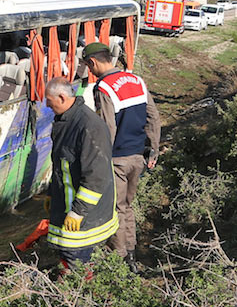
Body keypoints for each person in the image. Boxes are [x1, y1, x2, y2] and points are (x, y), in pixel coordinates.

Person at [82, 42, 161, 272]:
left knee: (114, 210)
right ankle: (131, 254)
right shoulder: (136, 80)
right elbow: (153, 117)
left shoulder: (104, 88)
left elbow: (108, 128)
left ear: (93, 62)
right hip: (138, 157)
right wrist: (153, 149)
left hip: (117, 159)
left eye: (88, 66)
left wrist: (99, 161)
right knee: (127, 206)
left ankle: (120, 262)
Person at [45, 77, 118, 268]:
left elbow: (96, 177)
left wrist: (78, 211)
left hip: (85, 215)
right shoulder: (66, 121)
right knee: (69, 255)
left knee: (76, 259)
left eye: (50, 104)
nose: (49, 109)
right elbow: (61, 164)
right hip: (69, 206)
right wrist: (51, 193)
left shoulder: (89, 126)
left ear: (61, 97)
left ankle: (80, 292)